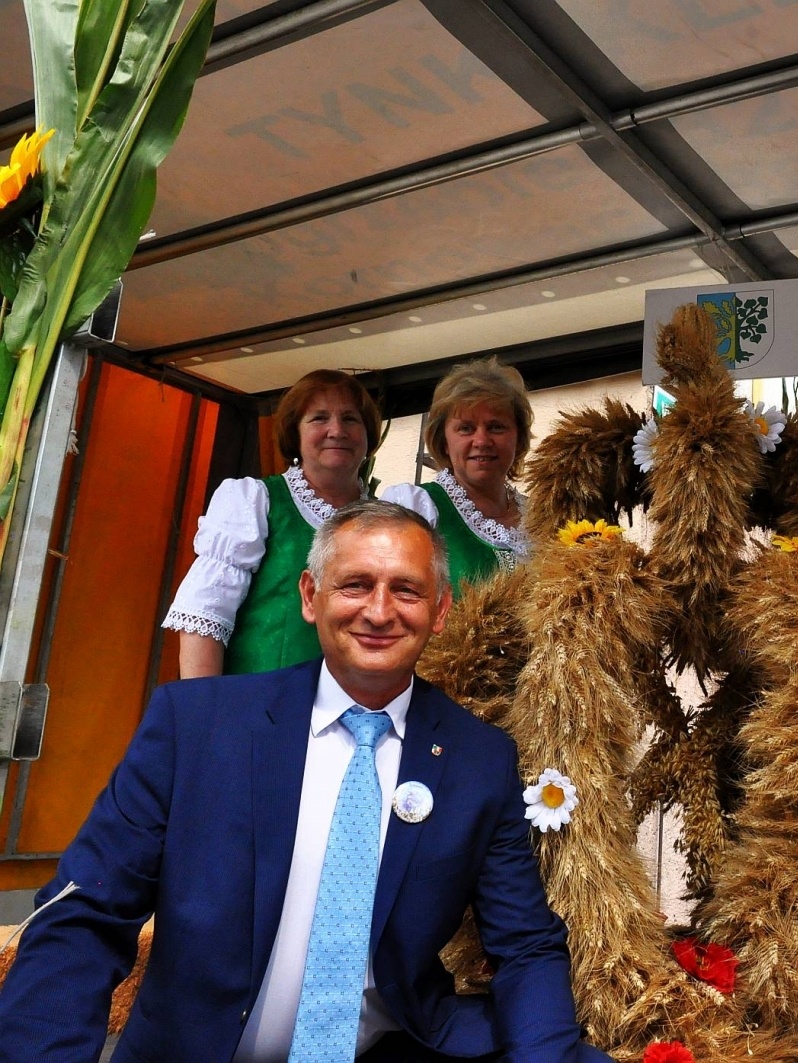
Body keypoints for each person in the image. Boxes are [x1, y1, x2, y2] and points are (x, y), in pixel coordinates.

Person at [0, 501, 613, 1063]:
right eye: (355, 585)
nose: (379, 611)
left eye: (406, 590)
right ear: (310, 595)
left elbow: (526, 945)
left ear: (441, 611)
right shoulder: (196, 726)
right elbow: (86, 915)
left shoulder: (479, 758)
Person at [163, 368, 381, 677]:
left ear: (368, 434)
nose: (337, 430)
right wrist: (205, 714)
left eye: (350, 419)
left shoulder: (387, 522)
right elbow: (205, 617)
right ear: (295, 434)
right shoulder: (255, 502)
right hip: (258, 708)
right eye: (319, 418)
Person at [385, 358, 532, 594]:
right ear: (443, 441)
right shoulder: (415, 509)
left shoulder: (544, 517)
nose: (482, 441)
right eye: (466, 428)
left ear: (518, 438)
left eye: (496, 427)